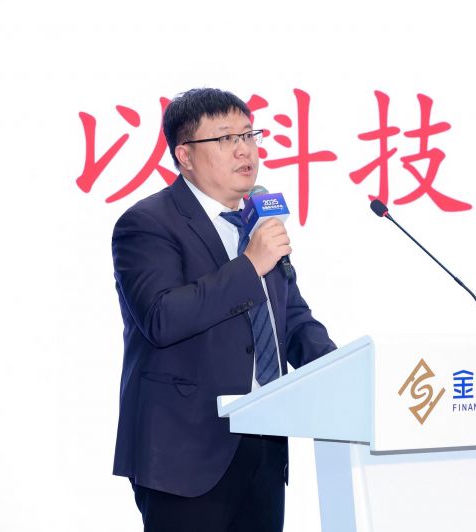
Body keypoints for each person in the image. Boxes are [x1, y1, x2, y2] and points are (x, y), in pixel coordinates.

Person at [111, 87, 337, 532]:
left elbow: (290, 319)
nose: (244, 149)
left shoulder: (256, 223)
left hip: (263, 446)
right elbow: (162, 317)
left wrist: (342, 369)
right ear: (185, 155)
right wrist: (250, 265)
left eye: (249, 135)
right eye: (225, 138)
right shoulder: (148, 223)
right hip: (185, 453)